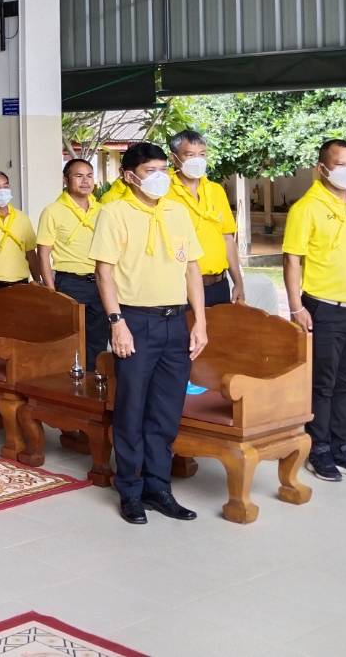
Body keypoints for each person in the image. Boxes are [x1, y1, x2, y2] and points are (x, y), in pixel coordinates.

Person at [93, 141, 206, 525]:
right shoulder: (114, 213)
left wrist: (200, 322)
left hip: (175, 321)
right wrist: (116, 322)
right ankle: (130, 490)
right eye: (150, 172)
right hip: (134, 322)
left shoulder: (177, 211)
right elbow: (103, 272)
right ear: (129, 176)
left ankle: (159, 488)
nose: (159, 178)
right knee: (132, 409)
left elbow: (192, 268)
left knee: (165, 410)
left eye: (163, 170)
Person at [283, 139, 346, 483]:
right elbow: (292, 259)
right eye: (341, 164)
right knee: (322, 384)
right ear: (323, 168)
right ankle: (319, 449)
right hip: (324, 308)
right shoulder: (306, 208)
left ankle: (343, 447)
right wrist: (296, 306)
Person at [37, 159, 106, 367]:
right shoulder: (53, 211)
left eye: (89, 176)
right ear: (66, 180)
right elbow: (43, 253)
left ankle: (96, 383)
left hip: (102, 282)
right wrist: (51, 290)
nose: (85, 181)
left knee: (99, 338)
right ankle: (73, 387)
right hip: (70, 283)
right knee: (71, 338)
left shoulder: (103, 210)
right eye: (78, 176)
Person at [164, 130, 244, 306]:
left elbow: (227, 238)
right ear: (174, 157)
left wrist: (238, 282)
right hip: (181, 286)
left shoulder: (216, 190)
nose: (197, 160)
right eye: (190, 155)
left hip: (219, 285)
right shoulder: (163, 192)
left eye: (202, 154)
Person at [0, 171, 38, 287]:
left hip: (21, 281)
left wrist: (38, 279)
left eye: (5, 186)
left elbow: (31, 253)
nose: (2, 191)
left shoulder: (22, 217)